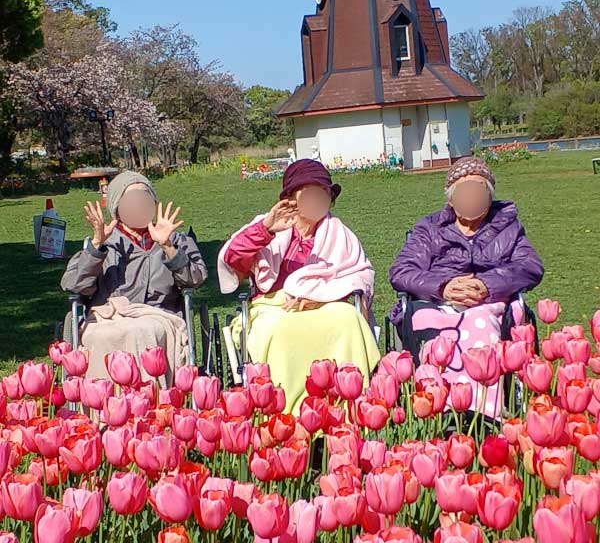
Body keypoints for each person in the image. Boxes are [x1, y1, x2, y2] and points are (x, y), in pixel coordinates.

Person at [218, 159, 380, 414]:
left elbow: (361, 275)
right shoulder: (269, 224)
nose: (317, 200)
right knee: (277, 328)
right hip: (273, 306)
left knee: (349, 318)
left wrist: (322, 296)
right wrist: (265, 230)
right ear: (291, 198)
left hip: (325, 304)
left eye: (323, 194)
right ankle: (284, 414)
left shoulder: (339, 233)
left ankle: (347, 409)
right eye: (310, 194)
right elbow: (232, 259)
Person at [389, 156, 543, 415]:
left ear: (490, 195)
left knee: (479, 321)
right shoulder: (429, 228)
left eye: (478, 189)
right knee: (433, 327)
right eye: (464, 190)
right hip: (435, 303)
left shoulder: (508, 227)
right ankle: (437, 406)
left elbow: (529, 267)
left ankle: (483, 412)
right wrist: (443, 286)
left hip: (489, 302)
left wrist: (486, 284)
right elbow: (402, 271)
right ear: (451, 199)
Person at [61, 170, 207, 385]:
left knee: (142, 332)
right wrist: (95, 248)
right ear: (117, 206)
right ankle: (103, 405)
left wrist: (168, 248)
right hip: (107, 317)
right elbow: (73, 285)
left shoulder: (175, 239)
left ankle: (150, 404)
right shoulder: (104, 241)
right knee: (102, 336)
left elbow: (196, 279)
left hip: (159, 316)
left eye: (143, 197)